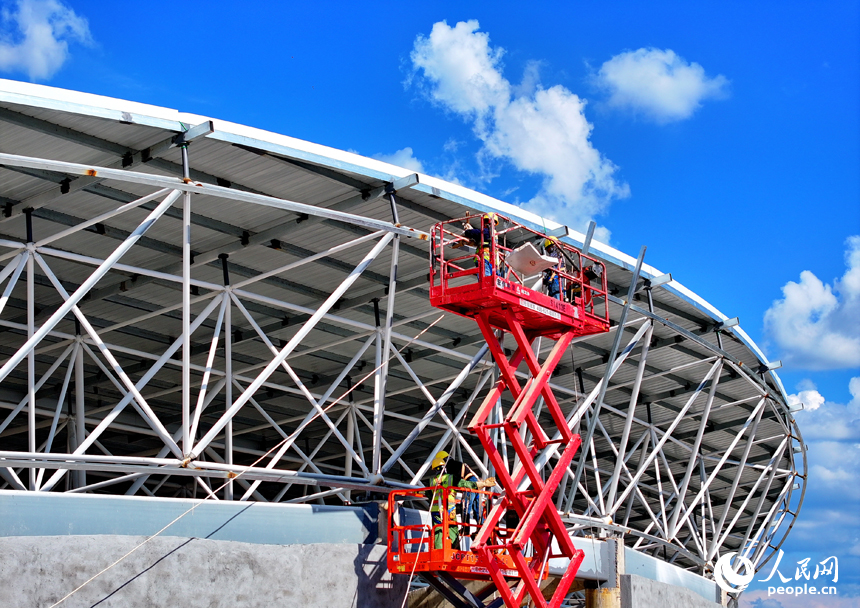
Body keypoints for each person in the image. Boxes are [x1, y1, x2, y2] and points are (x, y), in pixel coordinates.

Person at [428, 450, 495, 549]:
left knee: (466, 506)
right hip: (449, 510)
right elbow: (457, 482)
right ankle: (481, 528)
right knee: (477, 510)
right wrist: (481, 484)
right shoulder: (452, 472)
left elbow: (429, 493)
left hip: (438, 512)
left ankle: (465, 529)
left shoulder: (433, 481)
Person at [463, 213, 504, 278]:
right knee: (491, 280)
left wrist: (467, 232)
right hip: (492, 261)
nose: (485, 223)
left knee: (485, 281)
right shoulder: (494, 233)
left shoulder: (488, 231)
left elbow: (477, 232)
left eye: (486, 221)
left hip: (484, 260)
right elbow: (480, 236)